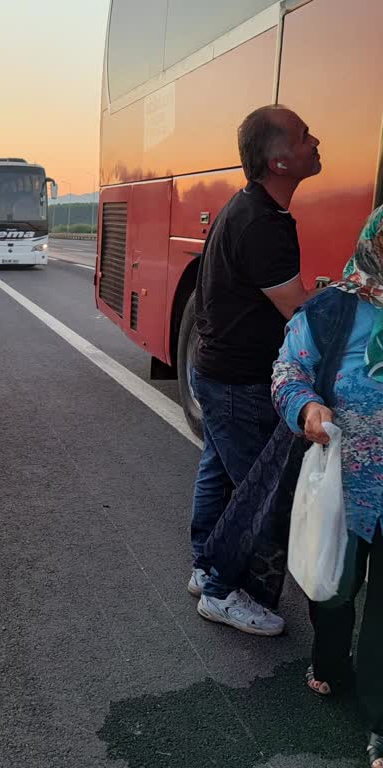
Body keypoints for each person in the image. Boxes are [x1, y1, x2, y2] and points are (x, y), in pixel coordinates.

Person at [189, 104, 322, 635]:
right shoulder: (264, 224)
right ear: (280, 162)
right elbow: (297, 311)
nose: (316, 141)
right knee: (260, 494)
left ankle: (205, 567)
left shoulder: (246, 206)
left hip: (218, 371)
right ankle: (222, 589)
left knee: (218, 476)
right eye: (304, 136)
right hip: (240, 383)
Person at [272, 206, 383, 768]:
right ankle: (330, 663)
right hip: (345, 485)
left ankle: (380, 722)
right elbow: (287, 371)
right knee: (335, 587)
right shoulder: (334, 309)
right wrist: (307, 406)